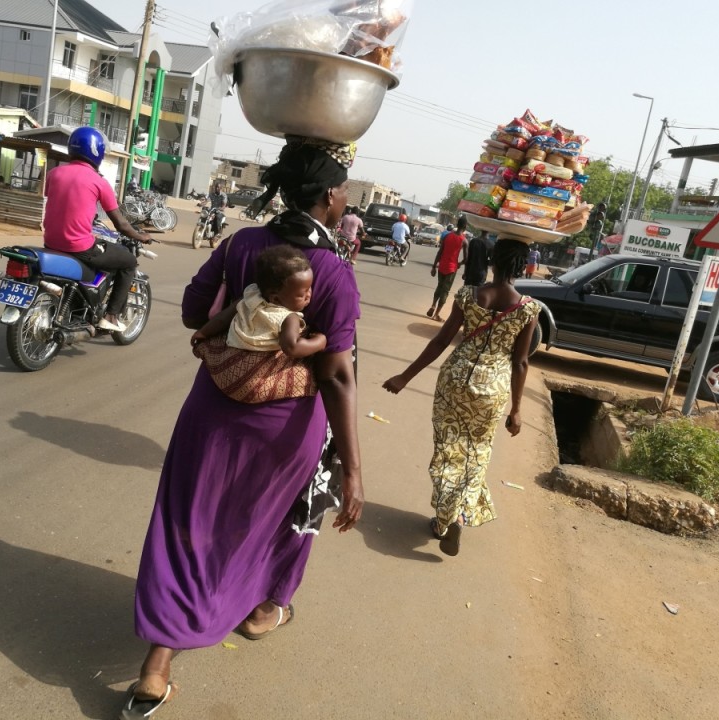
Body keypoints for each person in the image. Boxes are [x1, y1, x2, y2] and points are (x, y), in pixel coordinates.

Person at [126, 137, 363, 718]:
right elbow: (336, 376)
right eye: (345, 191)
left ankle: (157, 668)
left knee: (187, 522)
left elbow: (192, 314)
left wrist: (233, 323)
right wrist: (354, 468)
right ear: (332, 197)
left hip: (211, 410)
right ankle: (263, 607)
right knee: (274, 519)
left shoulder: (239, 245)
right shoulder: (330, 272)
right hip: (284, 428)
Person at [382, 239, 540, 556]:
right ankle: (460, 515)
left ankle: (446, 516)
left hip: (455, 379)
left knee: (448, 448)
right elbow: (520, 362)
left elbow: (442, 340)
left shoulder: (469, 295)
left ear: (493, 261)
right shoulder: (528, 309)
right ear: (523, 267)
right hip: (493, 389)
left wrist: (405, 376)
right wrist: (517, 409)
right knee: (477, 452)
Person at [42, 126, 151, 333]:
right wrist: (141, 236)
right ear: (97, 151)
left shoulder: (54, 173)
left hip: (51, 243)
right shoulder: (99, 182)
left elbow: (64, 202)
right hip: (79, 247)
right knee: (128, 260)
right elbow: (121, 225)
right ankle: (111, 316)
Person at [193, 244, 327, 360]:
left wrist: (203, 332)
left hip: (231, 352)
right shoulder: (288, 318)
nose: (309, 294)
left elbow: (223, 318)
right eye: (302, 293)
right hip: (260, 370)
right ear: (275, 298)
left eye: (310, 288)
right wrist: (320, 342)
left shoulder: (251, 295)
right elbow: (292, 347)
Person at [427, 223, 467, 321]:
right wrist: (460, 264)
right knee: (445, 291)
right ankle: (436, 314)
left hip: (442, 266)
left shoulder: (447, 236)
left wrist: (433, 266)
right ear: (465, 227)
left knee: (439, 286)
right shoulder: (464, 241)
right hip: (452, 268)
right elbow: (466, 259)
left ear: (457, 225)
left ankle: (433, 305)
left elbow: (439, 252)